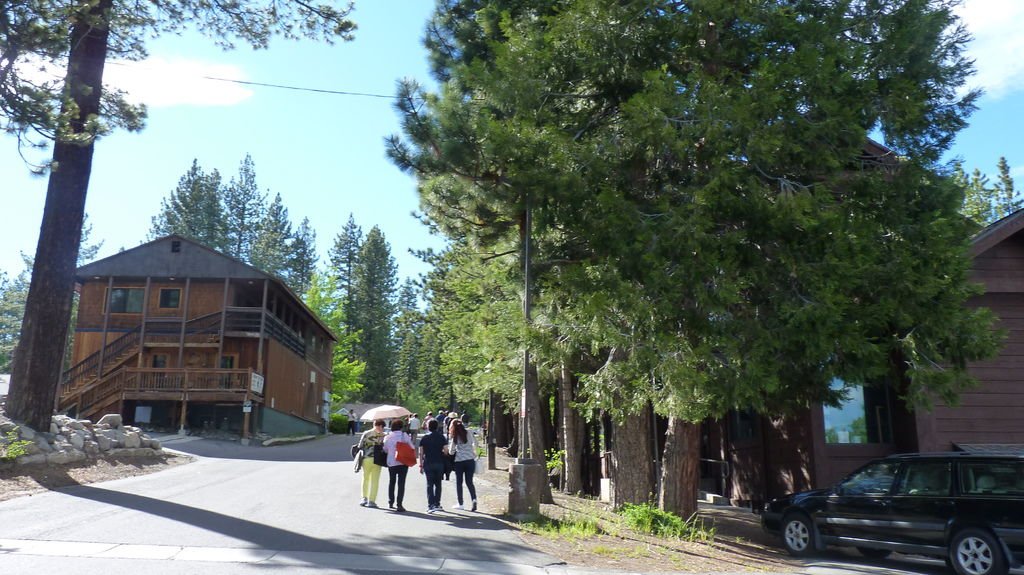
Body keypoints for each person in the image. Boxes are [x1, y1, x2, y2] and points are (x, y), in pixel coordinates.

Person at [383, 419, 415, 512]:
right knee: (401, 483)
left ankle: (390, 502)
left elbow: (385, 449)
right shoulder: (404, 435)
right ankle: (399, 504)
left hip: (391, 462)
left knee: (391, 482)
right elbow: (412, 447)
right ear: (401, 427)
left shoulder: (388, 437)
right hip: (403, 462)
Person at [448, 419, 478, 511]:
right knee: (469, 482)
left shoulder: (455, 436)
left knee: (459, 483)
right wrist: (472, 451)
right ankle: (474, 499)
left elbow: (451, 452)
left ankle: (460, 503)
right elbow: (475, 443)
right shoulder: (469, 432)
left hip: (459, 461)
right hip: (470, 460)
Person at [418, 418, 448, 513]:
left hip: (428, 462)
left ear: (428, 426)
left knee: (429, 484)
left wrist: (421, 465)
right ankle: (437, 503)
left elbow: (421, 453)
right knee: (438, 484)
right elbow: (446, 451)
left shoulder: (424, 438)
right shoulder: (442, 437)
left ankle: (430, 505)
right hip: (439, 462)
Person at [356, 419, 386, 508]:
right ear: (380, 426)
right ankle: (371, 501)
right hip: (378, 460)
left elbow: (360, 446)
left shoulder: (366, 433)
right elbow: (385, 448)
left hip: (366, 458)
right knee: (375, 481)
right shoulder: (384, 436)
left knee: (365, 479)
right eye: (382, 427)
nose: (383, 428)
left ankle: (363, 498)